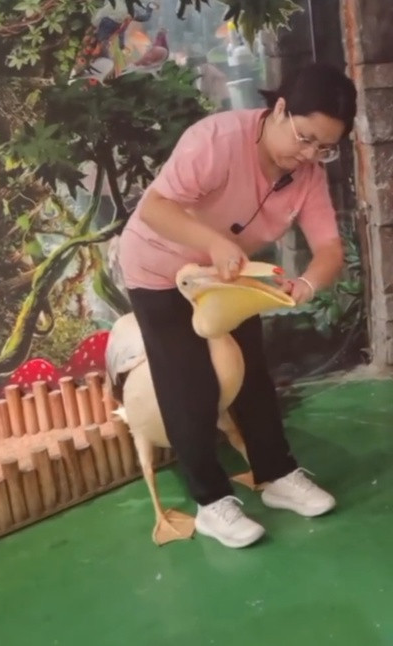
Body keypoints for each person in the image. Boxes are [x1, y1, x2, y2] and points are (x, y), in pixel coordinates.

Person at [118, 62, 357, 548]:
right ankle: (211, 503)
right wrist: (213, 242)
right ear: (281, 109)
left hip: (224, 277)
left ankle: (277, 475)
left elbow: (329, 249)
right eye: (305, 138)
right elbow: (155, 208)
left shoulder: (307, 174)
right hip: (157, 268)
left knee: (250, 371)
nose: (309, 155)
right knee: (188, 382)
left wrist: (306, 285)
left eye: (324, 148)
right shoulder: (217, 140)